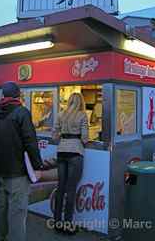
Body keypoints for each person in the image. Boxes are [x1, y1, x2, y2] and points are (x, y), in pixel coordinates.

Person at [0, 81, 44, 241]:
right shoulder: (22, 113)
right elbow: (30, 142)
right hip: (17, 174)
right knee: (17, 214)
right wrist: (37, 166)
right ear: (18, 96)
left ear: (3, 96)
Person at [52, 92, 89, 235]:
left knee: (60, 188)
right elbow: (85, 139)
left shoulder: (60, 114)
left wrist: (63, 135)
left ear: (69, 101)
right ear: (81, 102)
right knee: (71, 189)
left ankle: (57, 222)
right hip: (75, 153)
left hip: (61, 152)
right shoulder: (82, 115)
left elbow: (54, 136)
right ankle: (68, 224)